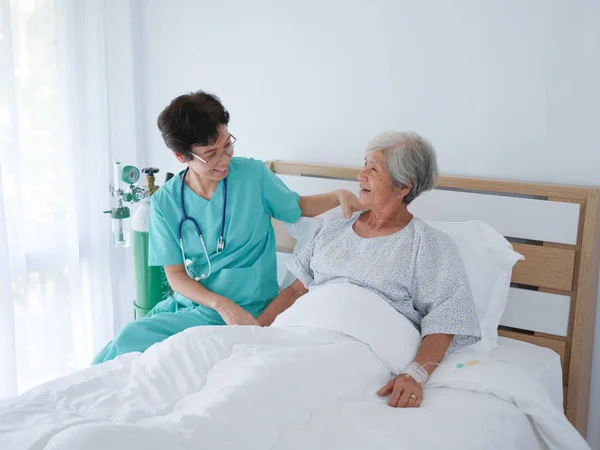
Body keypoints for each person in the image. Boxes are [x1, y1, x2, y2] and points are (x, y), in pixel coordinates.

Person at [92, 91, 361, 364]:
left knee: (152, 349)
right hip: (199, 306)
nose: (224, 160)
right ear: (180, 156)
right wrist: (221, 305)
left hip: (249, 308)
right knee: (125, 340)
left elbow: (297, 207)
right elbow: (175, 275)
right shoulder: (165, 201)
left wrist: (337, 195)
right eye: (211, 154)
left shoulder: (253, 175)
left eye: (227, 146)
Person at [257, 131, 481, 408]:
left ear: (403, 187)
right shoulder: (332, 227)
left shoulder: (430, 245)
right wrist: (253, 331)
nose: (360, 174)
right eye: (364, 163)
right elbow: (295, 291)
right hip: (298, 333)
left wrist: (416, 374)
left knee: (272, 383)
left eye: (373, 169)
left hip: (357, 350)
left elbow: (447, 318)